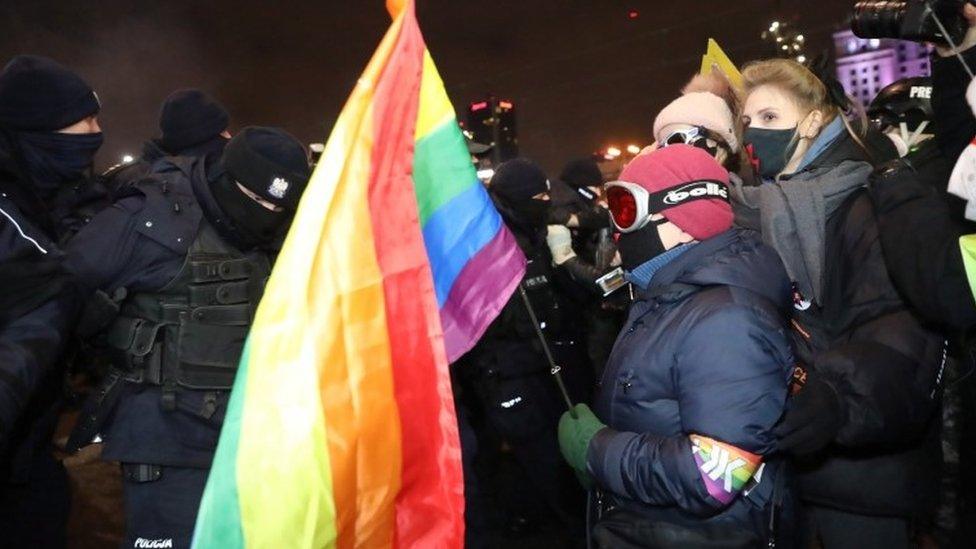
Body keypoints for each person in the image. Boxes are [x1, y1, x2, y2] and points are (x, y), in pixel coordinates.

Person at [732, 58, 945, 548]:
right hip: (788, 471)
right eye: (746, 121)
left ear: (812, 121)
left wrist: (836, 395)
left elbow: (897, 330)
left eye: (768, 117)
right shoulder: (756, 208)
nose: (752, 133)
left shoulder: (867, 200)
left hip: (864, 479)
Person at [65, 126, 310, 548]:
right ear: (226, 179)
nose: (266, 211)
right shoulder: (151, 216)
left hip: (255, 440)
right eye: (256, 200)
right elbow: (62, 296)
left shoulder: (292, 231)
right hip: (165, 437)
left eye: (277, 206)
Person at [557, 144, 795, 546]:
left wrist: (597, 450)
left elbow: (713, 476)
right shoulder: (666, 298)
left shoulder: (726, 321)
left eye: (627, 210)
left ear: (686, 221)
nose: (618, 230)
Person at [454, 157, 588, 544]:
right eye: (537, 196)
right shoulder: (488, 244)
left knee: (558, 464)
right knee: (541, 463)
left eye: (547, 193)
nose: (545, 201)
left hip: (546, 367)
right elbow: (486, 319)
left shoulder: (535, 231)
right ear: (515, 198)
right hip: (508, 376)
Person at [0, 54, 104, 548]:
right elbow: (30, 320)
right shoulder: (14, 225)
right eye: (85, 121)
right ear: (42, 132)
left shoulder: (51, 195)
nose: (96, 132)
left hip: (30, 448)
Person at [546, 158, 623, 376]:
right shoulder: (562, 216)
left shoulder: (583, 213)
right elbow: (601, 283)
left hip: (595, 309)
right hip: (586, 312)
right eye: (595, 187)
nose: (599, 193)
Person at [103, 89, 232, 194]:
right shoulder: (147, 185)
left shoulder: (137, 176)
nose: (229, 137)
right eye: (223, 131)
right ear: (201, 142)